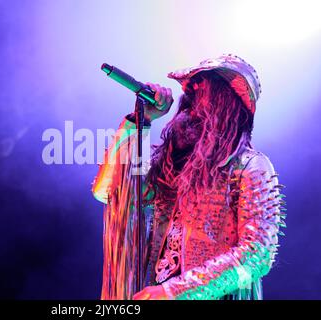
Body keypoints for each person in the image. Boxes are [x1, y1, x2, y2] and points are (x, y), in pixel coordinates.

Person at [92, 54, 286, 300]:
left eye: (201, 88)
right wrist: (140, 121)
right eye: (189, 91)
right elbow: (109, 191)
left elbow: (257, 255)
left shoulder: (251, 167)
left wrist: (175, 292)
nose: (188, 94)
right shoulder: (172, 167)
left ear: (224, 105)